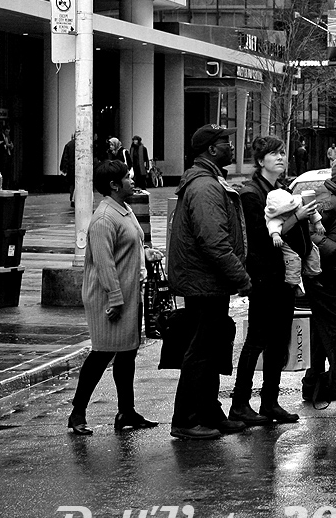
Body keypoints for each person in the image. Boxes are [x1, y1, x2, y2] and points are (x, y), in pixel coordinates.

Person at [167, 124, 252, 441]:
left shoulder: (209, 181)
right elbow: (214, 242)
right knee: (201, 351)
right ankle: (186, 419)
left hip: (207, 281)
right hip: (204, 282)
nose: (231, 146)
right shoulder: (204, 188)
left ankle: (208, 412)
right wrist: (241, 277)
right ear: (212, 150)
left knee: (212, 347)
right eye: (226, 142)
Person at [67, 160, 156, 435]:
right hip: (109, 296)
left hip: (127, 293)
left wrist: (146, 257)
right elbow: (104, 263)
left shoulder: (124, 209)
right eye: (127, 178)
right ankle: (77, 414)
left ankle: (126, 411)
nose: (133, 181)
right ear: (114, 186)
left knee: (127, 354)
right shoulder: (104, 218)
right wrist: (115, 298)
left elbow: (132, 245)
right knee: (101, 354)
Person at [230, 136, 309, 427]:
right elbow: (261, 240)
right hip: (264, 276)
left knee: (279, 341)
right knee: (257, 340)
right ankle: (239, 403)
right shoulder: (252, 194)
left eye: (282, 152)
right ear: (260, 160)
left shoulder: (280, 190)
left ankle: (270, 402)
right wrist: (296, 217)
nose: (280, 157)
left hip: (285, 277)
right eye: (273, 154)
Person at [301, 155, 336, 408]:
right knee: (333, 331)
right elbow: (308, 233)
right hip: (326, 277)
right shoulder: (328, 203)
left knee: (324, 331)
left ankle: (314, 384)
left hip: (331, 276)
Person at [60, 133, 76, 206]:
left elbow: (65, 158)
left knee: (72, 184)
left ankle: (72, 199)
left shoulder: (69, 145)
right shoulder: (83, 144)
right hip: (79, 167)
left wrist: (64, 169)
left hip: (71, 168)